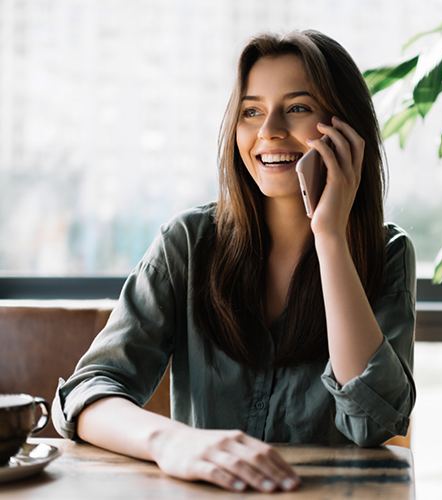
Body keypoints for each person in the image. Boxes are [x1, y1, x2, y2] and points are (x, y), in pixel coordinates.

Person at [53, 30, 416, 493]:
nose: (269, 131)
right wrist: (172, 441)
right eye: (252, 111)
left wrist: (329, 235)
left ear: (344, 127)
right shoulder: (188, 242)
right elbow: (87, 393)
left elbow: (373, 420)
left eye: (298, 108)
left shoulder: (387, 253)